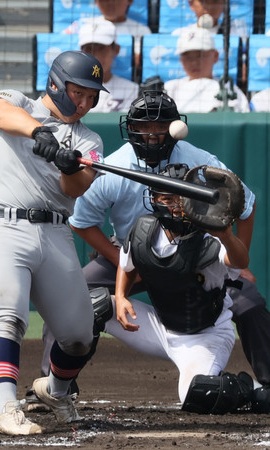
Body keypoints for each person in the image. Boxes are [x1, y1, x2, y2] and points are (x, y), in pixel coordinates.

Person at [32, 90, 270, 411]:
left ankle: (266, 385)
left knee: (249, 302)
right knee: (75, 294)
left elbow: (246, 204)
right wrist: (122, 261)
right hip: (131, 248)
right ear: (131, 129)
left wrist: (238, 258)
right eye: (144, 127)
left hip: (196, 252)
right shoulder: (115, 168)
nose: (153, 133)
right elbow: (81, 222)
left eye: (161, 126)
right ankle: (54, 383)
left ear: (175, 126)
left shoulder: (198, 160)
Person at [0, 50, 109, 435]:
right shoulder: (20, 103)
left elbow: (77, 186)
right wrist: (39, 132)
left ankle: (55, 390)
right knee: (8, 317)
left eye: (91, 96)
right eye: (78, 91)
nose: (84, 102)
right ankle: (6, 409)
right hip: (3, 225)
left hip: (55, 232)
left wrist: (70, 163)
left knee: (80, 335)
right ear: (56, 83)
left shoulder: (90, 139)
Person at [109, 162, 254, 413]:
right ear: (153, 199)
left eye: (180, 198)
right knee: (93, 306)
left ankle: (251, 389)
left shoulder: (209, 237)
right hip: (160, 327)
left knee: (197, 395)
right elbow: (127, 264)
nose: (173, 204)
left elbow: (240, 261)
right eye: (166, 198)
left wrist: (227, 235)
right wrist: (121, 296)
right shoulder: (144, 228)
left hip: (206, 334)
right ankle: (59, 388)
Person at [164, 27, 250, 113]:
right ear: (180, 60)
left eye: (200, 55)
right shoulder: (169, 88)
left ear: (215, 56)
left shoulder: (228, 90)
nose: (193, 62)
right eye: (187, 56)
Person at [63, 0, 151, 76]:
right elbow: (59, 45)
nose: (110, 2)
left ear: (130, 1)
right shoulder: (81, 24)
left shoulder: (142, 30)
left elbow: (143, 61)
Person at [78, 18, 139, 112]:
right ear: (81, 51)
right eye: (89, 48)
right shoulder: (70, 88)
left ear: (116, 50)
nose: (95, 55)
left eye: (101, 48)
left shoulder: (132, 90)